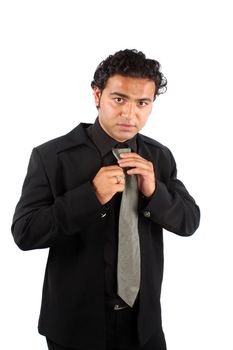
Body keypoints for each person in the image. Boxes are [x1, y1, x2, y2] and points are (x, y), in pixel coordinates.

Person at [11, 49, 200, 350]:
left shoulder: (159, 157)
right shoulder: (50, 158)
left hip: (145, 327)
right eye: (119, 99)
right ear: (97, 95)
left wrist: (154, 192)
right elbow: (25, 233)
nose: (129, 113)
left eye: (142, 103)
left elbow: (189, 222)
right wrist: (90, 196)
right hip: (74, 328)